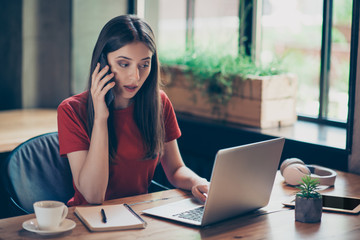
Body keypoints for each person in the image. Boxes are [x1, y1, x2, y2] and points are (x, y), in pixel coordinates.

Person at [57, 14, 209, 206]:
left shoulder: (159, 103)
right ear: (102, 62)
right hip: (89, 221)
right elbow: (93, 196)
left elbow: (175, 169)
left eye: (144, 65)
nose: (135, 77)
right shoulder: (71, 110)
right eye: (124, 64)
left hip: (139, 216)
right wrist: (101, 118)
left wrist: (199, 183)